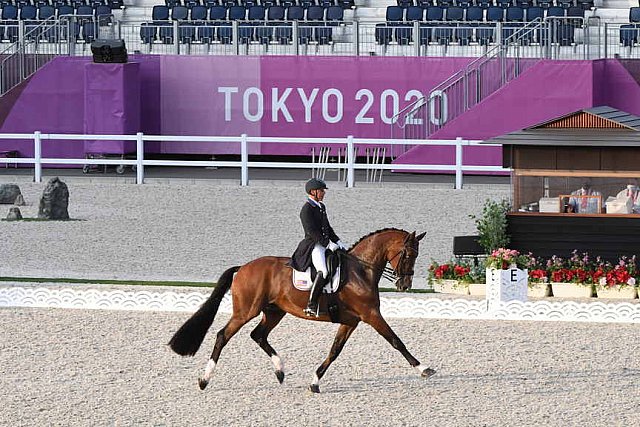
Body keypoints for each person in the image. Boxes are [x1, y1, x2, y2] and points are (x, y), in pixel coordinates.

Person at [290, 178, 347, 317]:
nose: (323, 193)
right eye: (321, 191)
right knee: (323, 271)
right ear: (313, 192)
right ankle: (311, 305)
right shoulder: (307, 209)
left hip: (323, 243)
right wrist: (328, 244)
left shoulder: (321, 207)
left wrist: (338, 241)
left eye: (323, 191)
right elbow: (311, 232)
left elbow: (327, 227)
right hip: (313, 245)